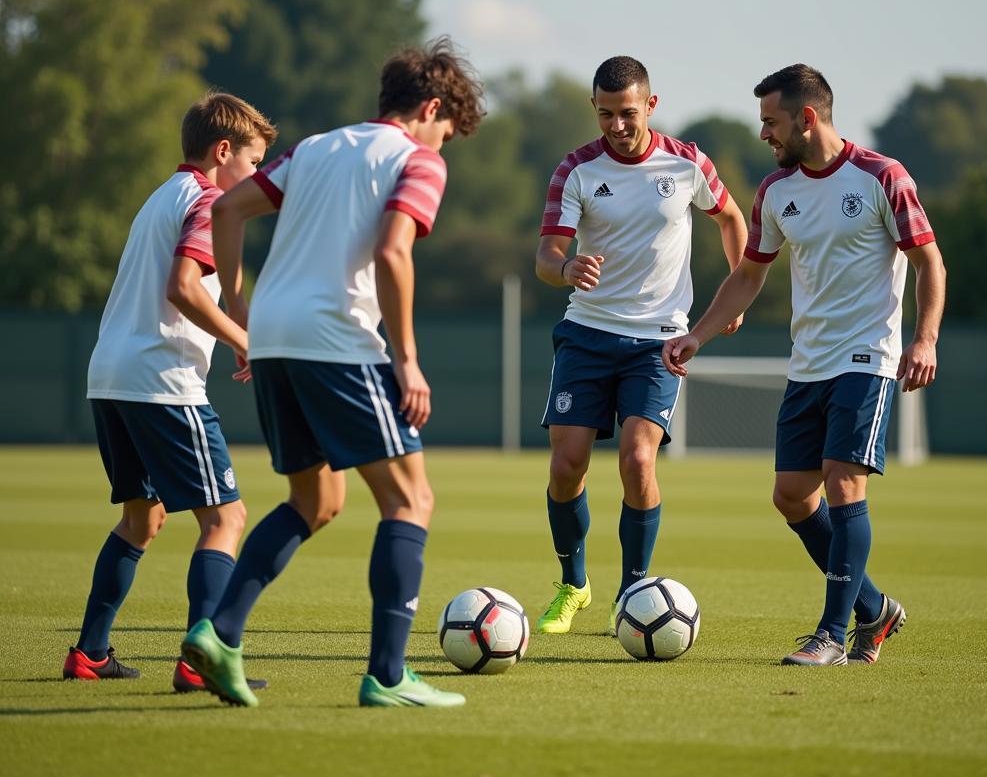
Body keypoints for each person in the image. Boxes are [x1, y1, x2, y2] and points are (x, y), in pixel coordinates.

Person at [180, 37, 485, 708]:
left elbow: (228, 210)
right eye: (447, 133)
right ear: (431, 107)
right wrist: (405, 358)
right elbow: (393, 252)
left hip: (276, 340)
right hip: (337, 340)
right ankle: (387, 674)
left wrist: (241, 309)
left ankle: (219, 631)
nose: (443, 148)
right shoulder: (417, 160)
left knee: (315, 501)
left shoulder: (314, 147)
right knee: (411, 501)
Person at [663, 63, 946, 666]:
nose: (764, 133)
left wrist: (924, 340)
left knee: (844, 485)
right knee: (792, 496)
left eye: (771, 121)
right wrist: (698, 336)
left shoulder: (882, 176)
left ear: (807, 118)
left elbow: (930, 264)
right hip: (808, 363)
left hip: (867, 357)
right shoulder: (777, 191)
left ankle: (833, 635)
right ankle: (876, 609)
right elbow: (748, 275)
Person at [64, 92, 277, 691]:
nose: (257, 176)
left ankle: (89, 652)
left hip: (109, 377)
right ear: (224, 150)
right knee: (226, 518)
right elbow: (184, 286)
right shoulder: (210, 200)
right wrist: (244, 338)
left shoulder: (163, 195)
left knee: (143, 518)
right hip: (161, 383)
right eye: (255, 161)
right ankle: (201, 663)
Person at [534, 55, 747, 636]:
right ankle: (574, 585)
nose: (617, 125)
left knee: (637, 458)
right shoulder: (575, 170)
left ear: (651, 105)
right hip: (586, 334)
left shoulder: (687, 163)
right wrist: (566, 267)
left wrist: (737, 289)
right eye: (605, 114)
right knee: (567, 464)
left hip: (658, 341)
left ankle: (633, 590)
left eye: (627, 113)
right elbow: (546, 258)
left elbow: (731, 219)